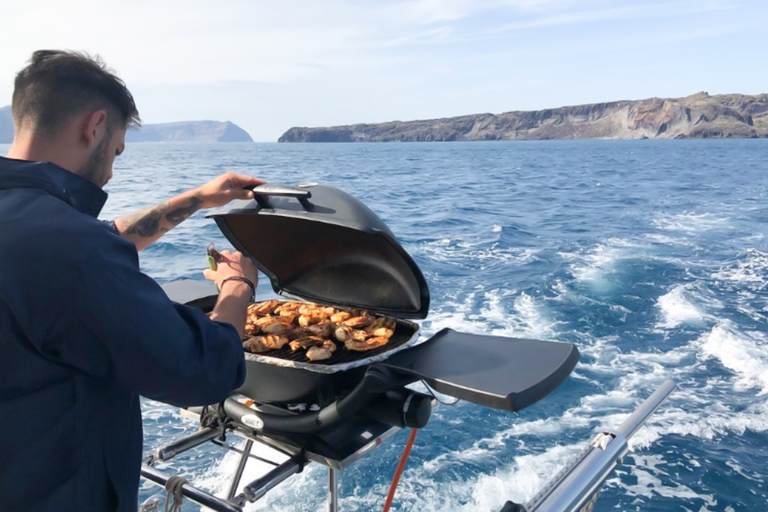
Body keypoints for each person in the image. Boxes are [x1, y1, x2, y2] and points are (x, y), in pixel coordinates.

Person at [0, 50, 262, 511]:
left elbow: (90, 241)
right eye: (117, 150)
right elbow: (204, 370)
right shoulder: (68, 247)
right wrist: (237, 286)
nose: (111, 172)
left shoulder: (33, 226)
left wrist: (197, 199)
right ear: (95, 126)